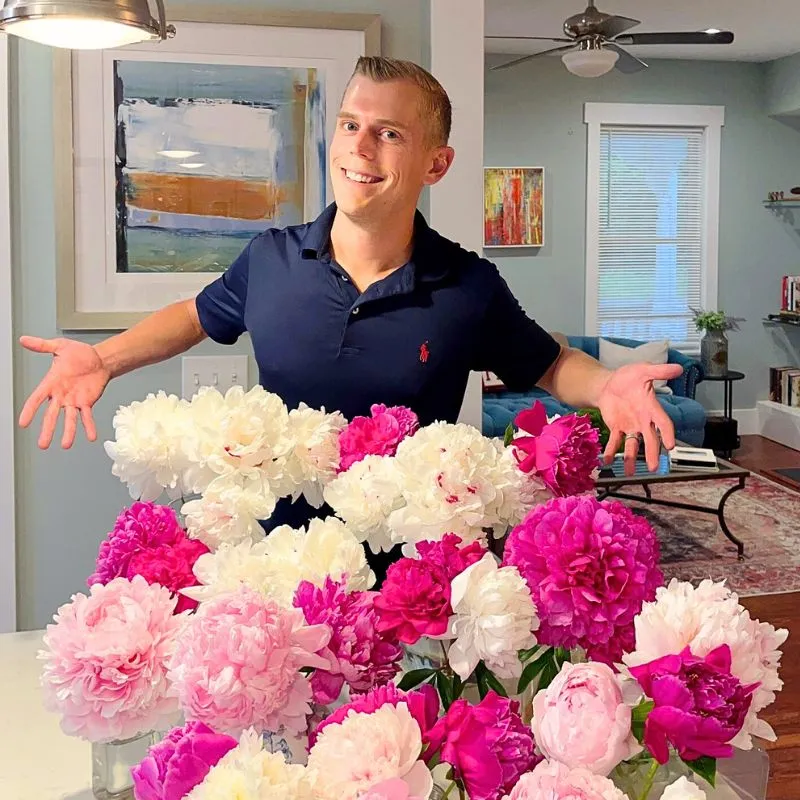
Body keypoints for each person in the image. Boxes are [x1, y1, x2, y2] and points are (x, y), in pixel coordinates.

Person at [19, 57, 681, 565]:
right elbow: (195, 315)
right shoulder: (270, 260)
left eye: (389, 133)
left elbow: (548, 361)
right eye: (350, 125)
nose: (360, 149)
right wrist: (102, 358)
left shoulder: (467, 285)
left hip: (415, 581)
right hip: (276, 562)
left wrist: (608, 382)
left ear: (436, 162)